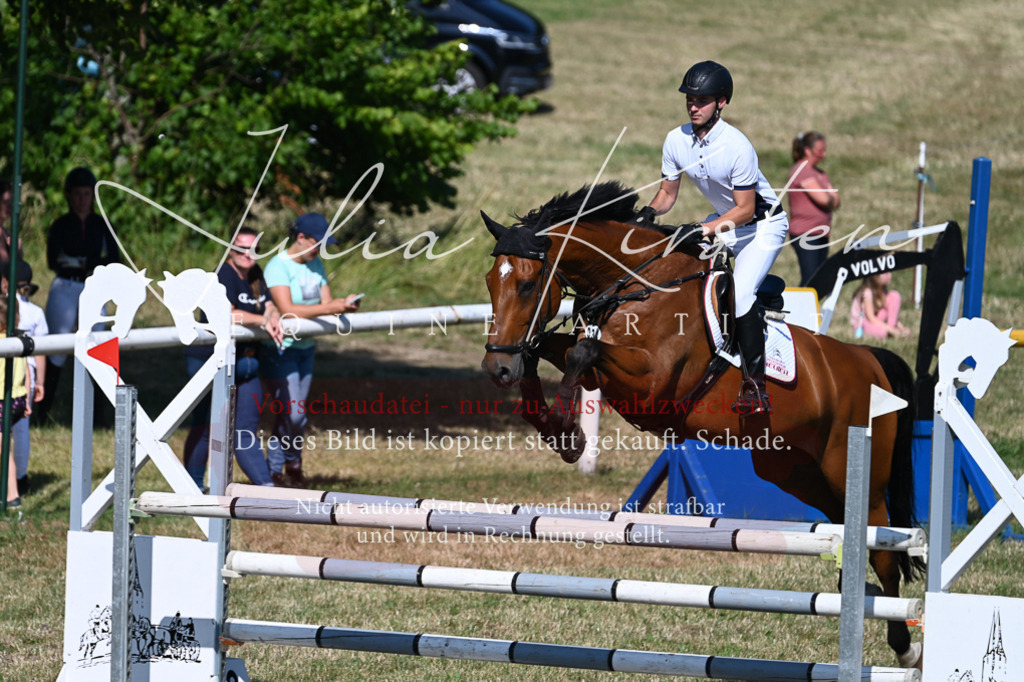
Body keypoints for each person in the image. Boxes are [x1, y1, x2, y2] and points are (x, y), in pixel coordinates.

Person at [639, 60, 788, 415]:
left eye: (702, 99)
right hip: (725, 222)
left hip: (762, 227)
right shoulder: (676, 140)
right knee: (676, 269)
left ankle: (755, 387)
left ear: (721, 102)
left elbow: (746, 210)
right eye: (690, 98)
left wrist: (705, 229)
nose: (693, 105)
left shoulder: (737, 146)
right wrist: (646, 214)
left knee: (740, 296)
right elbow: (667, 195)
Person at [263, 213, 361, 486]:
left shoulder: (315, 263)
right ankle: (280, 467)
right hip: (280, 349)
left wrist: (343, 304)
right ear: (300, 238)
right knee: (293, 412)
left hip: (306, 348)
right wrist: (332, 307)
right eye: (317, 243)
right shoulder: (277, 267)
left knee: (296, 413)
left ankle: (288, 465)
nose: (320, 250)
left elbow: (327, 301)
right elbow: (288, 311)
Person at [182, 228, 285, 488]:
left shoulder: (256, 274)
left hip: (247, 362)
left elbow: (270, 304)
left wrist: (272, 316)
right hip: (210, 361)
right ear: (230, 249)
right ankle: (193, 488)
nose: (247, 255)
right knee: (206, 427)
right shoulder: (221, 276)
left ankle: (266, 488)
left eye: (254, 250)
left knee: (244, 431)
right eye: (241, 249)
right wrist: (263, 320)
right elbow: (226, 315)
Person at [37, 167, 121, 423]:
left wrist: (85, 262)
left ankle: (101, 415)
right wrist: (87, 262)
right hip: (66, 285)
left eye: (86, 194)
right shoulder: (61, 225)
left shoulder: (101, 224)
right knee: (57, 345)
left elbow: (113, 259)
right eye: (77, 194)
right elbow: (54, 260)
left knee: (101, 345)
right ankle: (43, 409)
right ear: (69, 196)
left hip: (94, 287)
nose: (82, 199)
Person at [1, 261, 47, 496]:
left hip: (5, 374)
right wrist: (40, 382)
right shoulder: (35, 312)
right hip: (25, 377)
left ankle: (7, 484)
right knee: (21, 431)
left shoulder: (3, 307)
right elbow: (41, 351)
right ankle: (20, 478)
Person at [787, 131, 840, 286]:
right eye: (820, 151)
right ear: (807, 151)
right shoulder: (802, 171)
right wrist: (830, 197)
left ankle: (811, 309)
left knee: (819, 279)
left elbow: (836, 200)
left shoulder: (819, 173)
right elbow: (825, 199)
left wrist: (831, 198)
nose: (824, 154)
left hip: (820, 233)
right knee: (810, 279)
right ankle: (798, 308)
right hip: (805, 233)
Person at [1, 295, 32, 509]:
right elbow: (28, 372)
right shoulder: (18, 341)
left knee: (4, 452)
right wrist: (27, 401)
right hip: (18, 401)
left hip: (2, 402)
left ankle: (12, 496)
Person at [850, 272, 910, 340]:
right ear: (875, 276)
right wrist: (890, 329)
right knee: (882, 332)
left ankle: (892, 330)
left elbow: (889, 312)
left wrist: (901, 327)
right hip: (863, 323)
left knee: (895, 296)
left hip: (878, 321)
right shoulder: (867, 292)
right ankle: (890, 332)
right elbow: (871, 317)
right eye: (886, 273)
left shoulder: (882, 290)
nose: (890, 275)